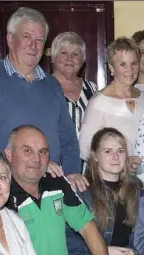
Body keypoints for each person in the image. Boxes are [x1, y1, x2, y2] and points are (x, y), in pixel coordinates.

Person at [0, 7, 87, 189]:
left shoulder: (52, 85)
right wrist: (36, 165)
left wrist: (71, 173)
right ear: (10, 39)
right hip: (9, 187)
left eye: (39, 40)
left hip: (53, 185)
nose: (33, 45)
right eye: (26, 37)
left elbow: (68, 139)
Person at [4, 125, 115, 255]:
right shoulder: (1, 194)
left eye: (43, 152)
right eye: (27, 150)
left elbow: (87, 227)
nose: (37, 159)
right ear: (9, 155)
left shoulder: (55, 182)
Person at [67, 128, 144, 255]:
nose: (115, 157)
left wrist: (133, 251)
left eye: (120, 151)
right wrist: (105, 250)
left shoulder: (136, 187)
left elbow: (141, 231)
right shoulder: (81, 189)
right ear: (95, 156)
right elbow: (68, 241)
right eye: (107, 151)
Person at [79, 36, 144, 170]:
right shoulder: (99, 102)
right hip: (113, 181)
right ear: (112, 67)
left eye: (134, 63)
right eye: (123, 64)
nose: (130, 70)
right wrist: (120, 164)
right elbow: (85, 149)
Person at [50, 31, 99, 172]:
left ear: (82, 59)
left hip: (90, 168)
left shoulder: (93, 89)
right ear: (54, 57)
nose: (70, 58)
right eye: (64, 53)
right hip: (56, 166)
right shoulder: (43, 88)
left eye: (75, 54)